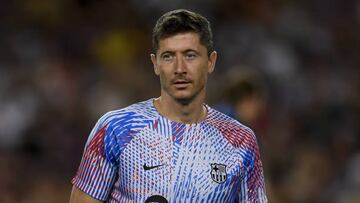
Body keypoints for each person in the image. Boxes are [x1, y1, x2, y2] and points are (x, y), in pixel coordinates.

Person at [70, 9, 267, 203]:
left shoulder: (242, 141)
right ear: (155, 64)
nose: (179, 68)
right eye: (168, 56)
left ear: (210, 61)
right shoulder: (116, 129)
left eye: (190, 55)